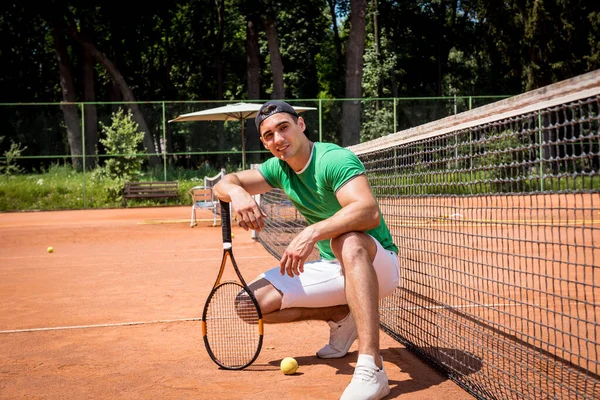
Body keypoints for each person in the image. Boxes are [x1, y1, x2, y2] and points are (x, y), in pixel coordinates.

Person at [213, 100, 400, 400]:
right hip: (335, 268)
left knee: (348, 240)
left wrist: (312, 232)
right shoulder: (278, 168)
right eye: (269, 135)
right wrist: (237, 192)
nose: (278, 139)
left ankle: (371, 367)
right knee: (249, 305)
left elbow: (367, 212)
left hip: (377, 264)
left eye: (283, 128)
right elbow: (224, 183)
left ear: (300, 125)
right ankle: (342, 315)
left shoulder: (333, 159)